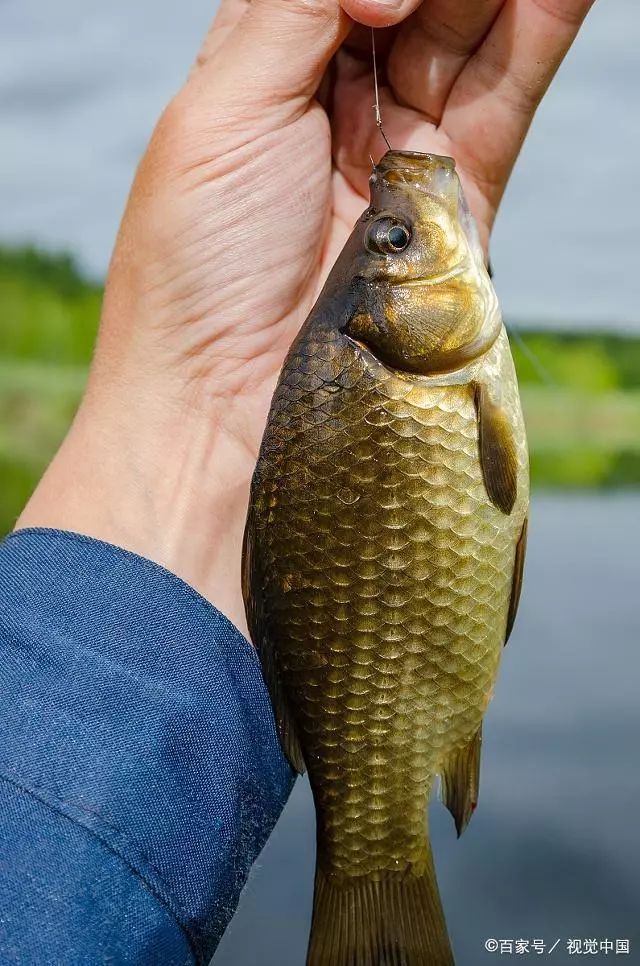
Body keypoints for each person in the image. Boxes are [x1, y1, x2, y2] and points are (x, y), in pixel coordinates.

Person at [0, 0, 594, 962]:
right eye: (392, 246)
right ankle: (372, 872)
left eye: (387, 241)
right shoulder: (415, 366)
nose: (393, 227)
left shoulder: (417, 363)